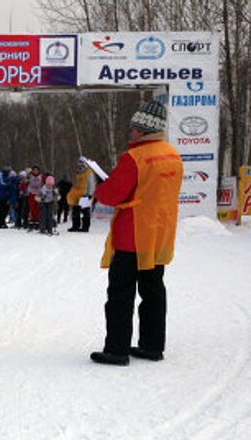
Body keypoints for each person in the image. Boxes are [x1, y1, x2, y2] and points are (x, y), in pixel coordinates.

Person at [89, 99, 183, 366]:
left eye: (133, 129)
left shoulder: (135, 158)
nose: (130, 133)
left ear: (143, 130)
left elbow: (111, 194)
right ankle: (153, 346)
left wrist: (101, 186)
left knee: (121, 294)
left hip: (132, 234)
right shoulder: (172, 154)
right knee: (153, 290)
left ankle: (116, 349)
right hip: (160, 234)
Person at [67, 159, 97, 232]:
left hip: (85, 195)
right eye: (79, 165)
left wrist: (90, 194)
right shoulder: (78, 172)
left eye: (81, 164)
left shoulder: (88, 172)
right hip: (77, 195)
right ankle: (75, 226)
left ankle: (85, 227)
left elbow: (91, 184)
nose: (80, 166)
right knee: (75, 211)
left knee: (85, 211)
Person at [25, 166, 43, 230]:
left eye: (36, 170)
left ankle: (37, 220)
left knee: (38, 208)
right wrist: (27, 177)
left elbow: (44, 183)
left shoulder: (41, 176)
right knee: (32, 207)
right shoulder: (30, 176)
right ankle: (32, 220)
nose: (35, 171)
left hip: (38, 194)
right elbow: (25, 182)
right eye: (34, 170)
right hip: (31, 193)